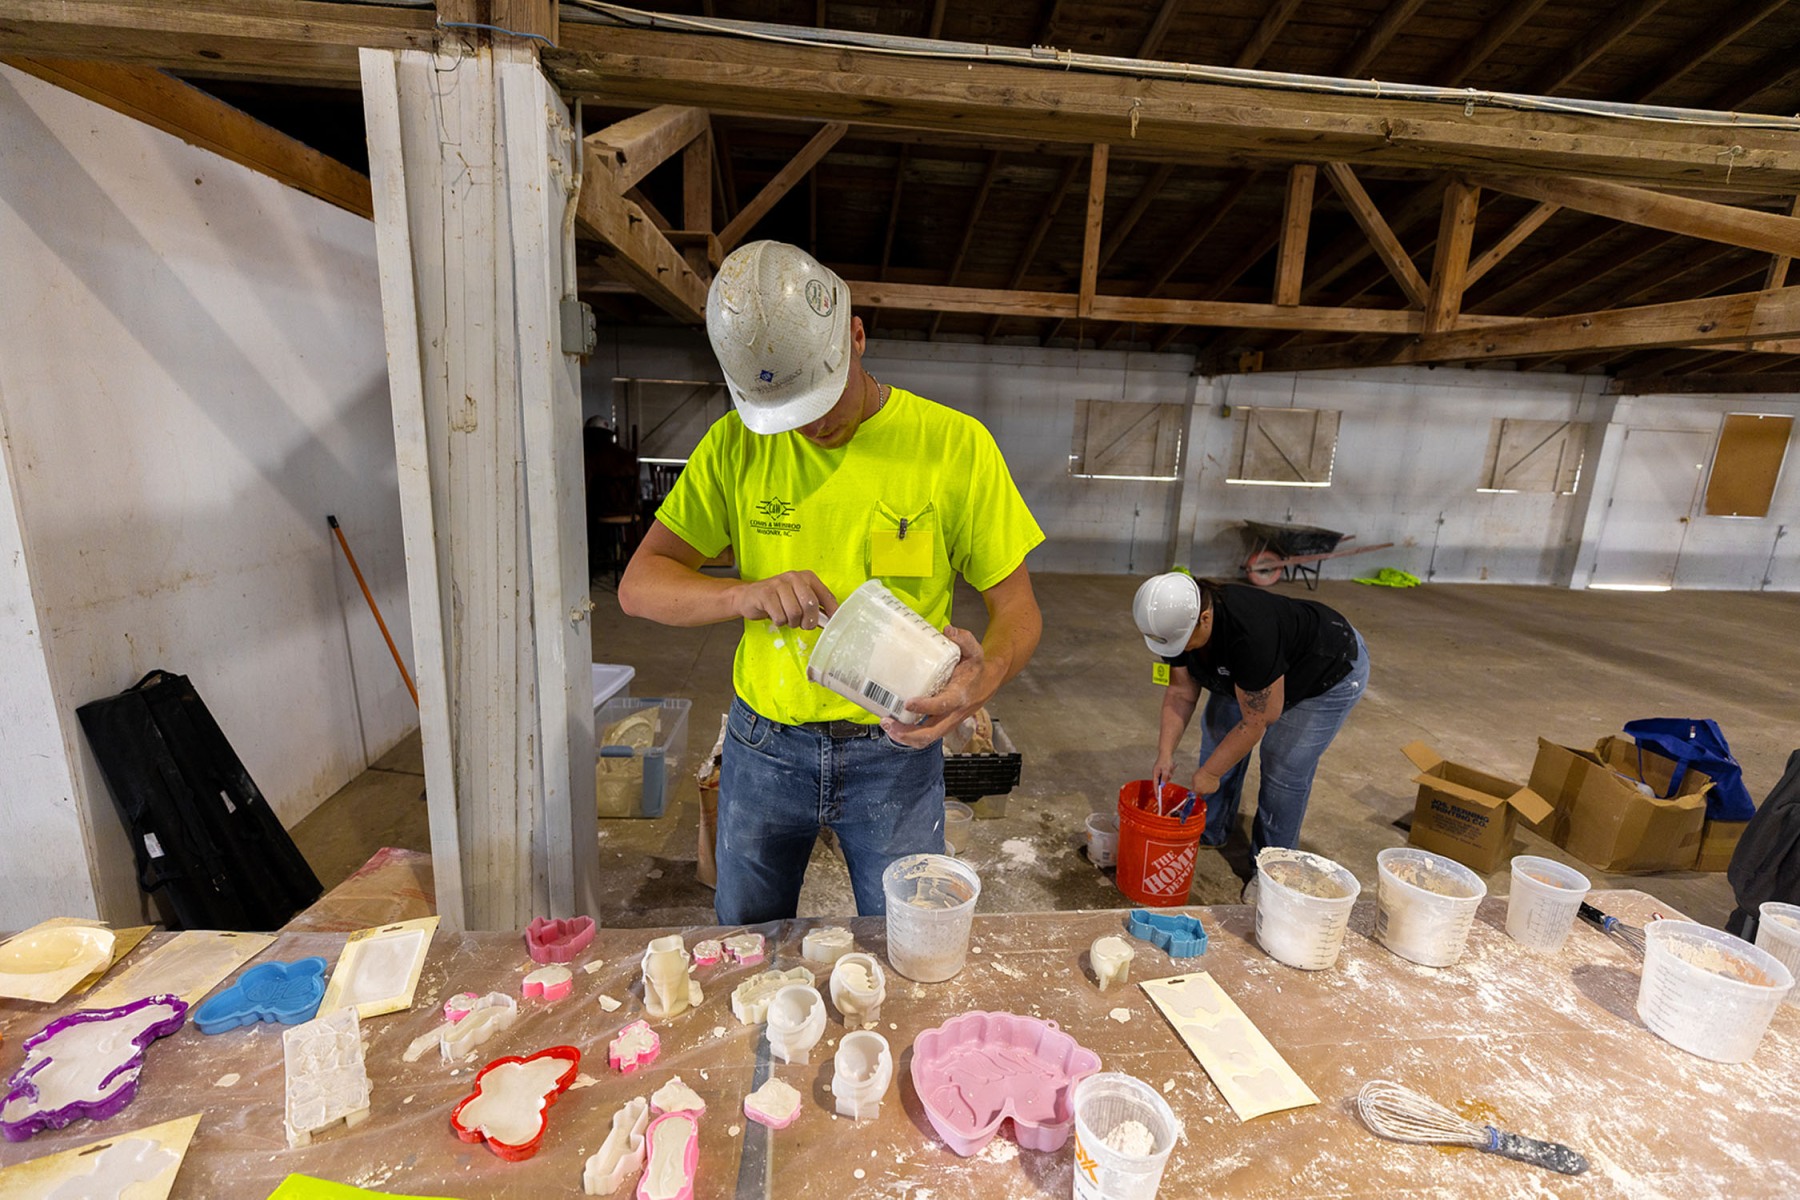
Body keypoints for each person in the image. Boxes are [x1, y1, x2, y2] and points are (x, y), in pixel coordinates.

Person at [619, 240, 1044, 924]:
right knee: (747, 945)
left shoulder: (953, 447)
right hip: (765, 747)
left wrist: (981, 680)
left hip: (895, 751)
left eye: (818, 397)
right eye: (787, 410)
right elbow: (639, 585)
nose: (810, 424)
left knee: (907, 941)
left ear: (856, 336)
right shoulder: (736, 445)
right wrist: (742, 594)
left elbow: (1018, 610)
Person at [1134, 572, 1369, 857]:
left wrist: (1210, 773)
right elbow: (1180, 692)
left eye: (1181, 642)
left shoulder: (1251, 635)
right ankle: (1210, 829)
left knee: (1282, 765)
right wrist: (1165, 753)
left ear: (1204, 618)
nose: (1176, 650)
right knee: (1219, 732)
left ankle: (1273, 864)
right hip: (1254, 671)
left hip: (1324, 667)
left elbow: (1257, 721)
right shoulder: (1173, 626)